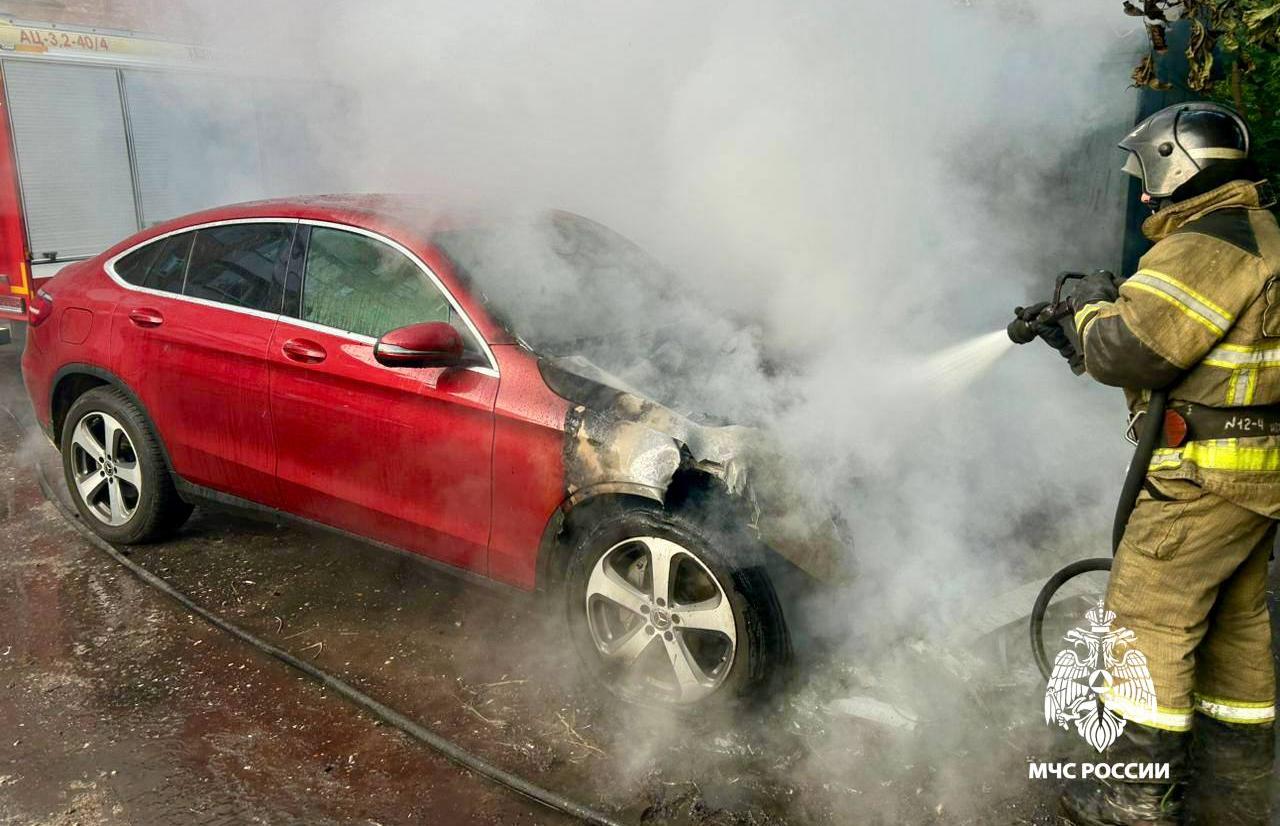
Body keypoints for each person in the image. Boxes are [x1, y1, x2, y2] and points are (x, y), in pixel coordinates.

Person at [1039, 101, 1279, 826]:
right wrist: (1086, 332)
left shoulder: (1206, 245)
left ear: (1181, 165)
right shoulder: (1262, 231)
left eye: (1150, 173)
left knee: (1148, 621)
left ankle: (1134, 800)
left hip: (1203, 477)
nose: (1145, 192)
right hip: (1254, 471)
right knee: (1236, 621)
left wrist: (1087, 313)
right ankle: (1235, 788)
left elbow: (1131, 351)